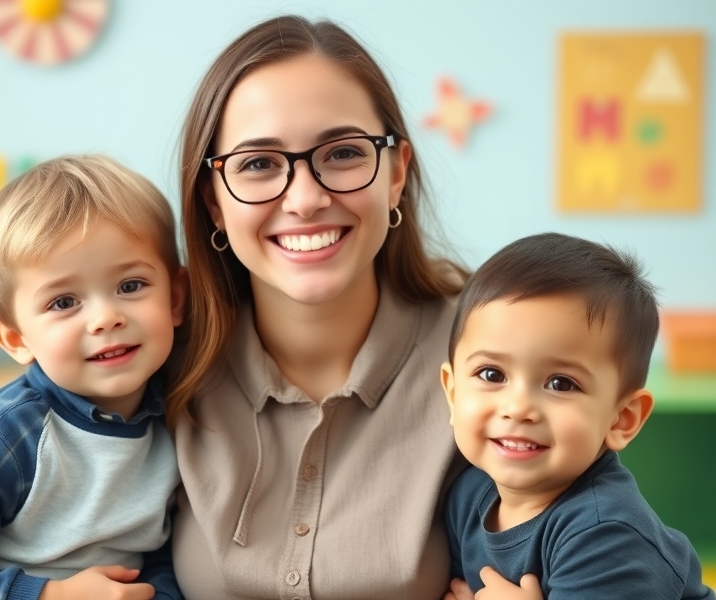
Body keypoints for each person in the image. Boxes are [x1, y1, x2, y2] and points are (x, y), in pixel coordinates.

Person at [165, 14, 470, 600]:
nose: (306, 199)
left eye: (344, 153)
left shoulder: (492, 353)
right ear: (213, 202)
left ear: (396, 173)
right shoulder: (154, 363)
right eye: (257, 164)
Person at [0, 155, 186, 600]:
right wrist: (49, 594)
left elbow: (158, 549)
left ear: (176, 298)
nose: (105, 318)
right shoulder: (5, 438)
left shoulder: (181, 413)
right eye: (63, 302)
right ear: (15, 338)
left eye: (130, 286)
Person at [440, 232, 715, 599]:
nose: (518, 407)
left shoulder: (607, 535)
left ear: (622, 419)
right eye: (492, 374)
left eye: (561, 383)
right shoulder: (467, 495)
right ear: (454, 393)